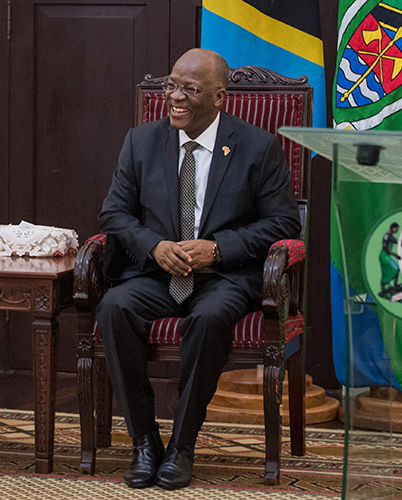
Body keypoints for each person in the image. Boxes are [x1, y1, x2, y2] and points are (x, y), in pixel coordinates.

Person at [96, 48, 301, 490]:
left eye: (189, 89)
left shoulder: (257, 146)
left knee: (208, 319)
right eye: (171, 85)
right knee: (114, 308)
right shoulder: (141, 141)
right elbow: (113, 214)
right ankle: (144, 441)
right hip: (156, 274)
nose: (175, 97)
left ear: (220, 97)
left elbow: (284, 223)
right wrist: (154, 246)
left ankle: (182, 445)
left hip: (222, 277)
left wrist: (218, 249)